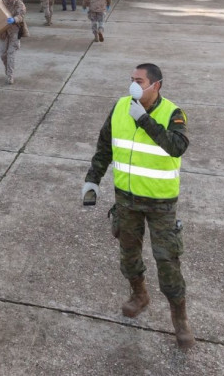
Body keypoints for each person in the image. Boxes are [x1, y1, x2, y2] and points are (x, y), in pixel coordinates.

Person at [81, 63, 194, 350]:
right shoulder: (120, 107)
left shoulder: (173, 113)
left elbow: (177, 147)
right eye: (131, 79)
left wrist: (144, 119)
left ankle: (179, 319)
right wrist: (93, 179)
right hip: (126, 200)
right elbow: (105, 145)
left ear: (155, 85)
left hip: (160, 203)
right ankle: (139, 295)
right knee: (128, 254)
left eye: (139, 81)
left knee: (167, 261)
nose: (133, 85)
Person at [0, 0, 26, 85]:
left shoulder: (19, 4)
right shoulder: (3, 2)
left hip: (14, 31)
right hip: (3, 31)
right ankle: (7, 70)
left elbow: (21, 16)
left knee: (10, 54)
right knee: (2, 54)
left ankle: (10, 76)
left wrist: (14, 19)